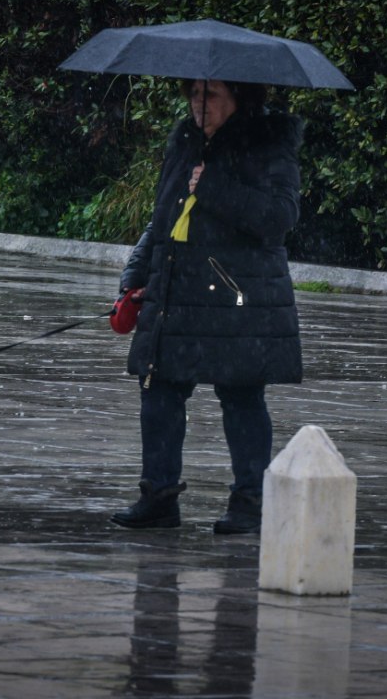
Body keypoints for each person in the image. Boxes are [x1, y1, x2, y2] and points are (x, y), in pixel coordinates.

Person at [111, 78, 304, 534]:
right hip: (177, 289)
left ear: (239, 97)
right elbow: (163, 217)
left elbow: (279, 219)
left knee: (241, 396)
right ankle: (158, 496)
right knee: (159, 392)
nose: (199, 105)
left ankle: (250, 502)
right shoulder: (185, 139)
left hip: (237, 295)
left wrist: (214, 185)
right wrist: (135, 278)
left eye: (211, 95)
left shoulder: (269, 143)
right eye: (193, 95)